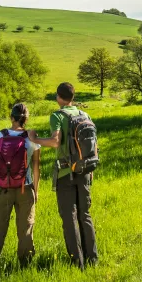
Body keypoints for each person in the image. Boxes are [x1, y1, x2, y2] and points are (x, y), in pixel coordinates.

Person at [29, 82, 99, 269]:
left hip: (66, 173)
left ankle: (78, 262)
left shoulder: (57, 116)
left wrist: (35, 139)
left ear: (58, 97)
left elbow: (55, 141)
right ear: (73, 97)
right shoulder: (85, 115)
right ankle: (93, 259)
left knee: (69, 217)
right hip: (85, 171)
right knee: (84, 214)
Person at [0, 102, 41, 266]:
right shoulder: (32, 138)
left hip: (2, 188)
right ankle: (25, 265)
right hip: (26, 188)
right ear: (26, 119)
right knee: (25, 230)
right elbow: (36, 166)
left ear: (11, 117)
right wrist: (35, 190)